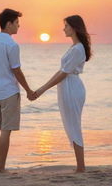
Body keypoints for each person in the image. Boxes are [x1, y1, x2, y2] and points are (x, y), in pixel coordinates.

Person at [35, 15, 91, 173]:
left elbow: (63, 73)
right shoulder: (74, 47)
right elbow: (61, 71)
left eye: (66, 26)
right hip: (67, 86)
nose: (63, 28)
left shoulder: (78, 49)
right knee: (70, 126)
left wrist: (42, 89)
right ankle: (80, 166)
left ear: (74, 28)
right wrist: (42, 88)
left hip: (71, 88)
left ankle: (81, 167)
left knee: (74, 126)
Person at [0, 8, 36, 175]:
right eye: (17, 23)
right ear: (9, 24)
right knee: (6, 130)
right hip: (8, 92)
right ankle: (1, 168)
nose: (18, 27)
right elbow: (17, 71)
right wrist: (28, 90)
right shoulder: (12, 45)